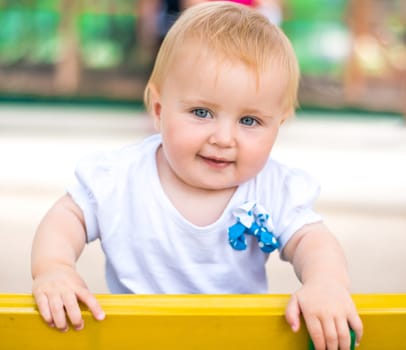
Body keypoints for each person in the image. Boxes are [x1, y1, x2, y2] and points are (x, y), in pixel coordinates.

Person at [31, 2, 363, 349]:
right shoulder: (120, 177)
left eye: (249, 121)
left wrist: (326, 283)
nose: (223, 138)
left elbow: (313, 240)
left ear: (278, 125)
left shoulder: (271, 186)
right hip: (138, 339)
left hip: (234, 340)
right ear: (159, 111)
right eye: (201, 112)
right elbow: (68, 217)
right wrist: (55, 268)